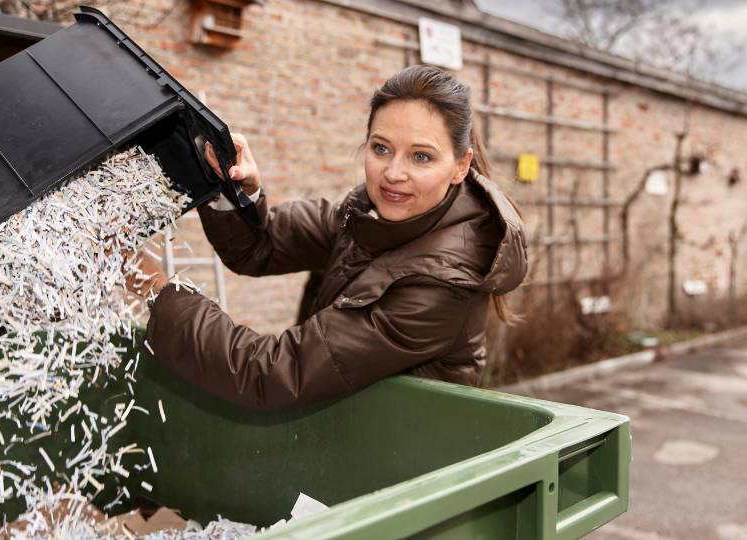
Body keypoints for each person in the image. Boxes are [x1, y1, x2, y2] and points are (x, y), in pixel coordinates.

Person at [126, 65, 527, 411]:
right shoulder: (363, 216)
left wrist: (155, 285)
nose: (393, 173)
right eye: (381, 148)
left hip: (396, 475)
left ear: (460, 166)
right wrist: (234, 186)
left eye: (421, 156)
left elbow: (269, 372)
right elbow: (258, 248)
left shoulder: (442, 287)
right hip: (343, 441)